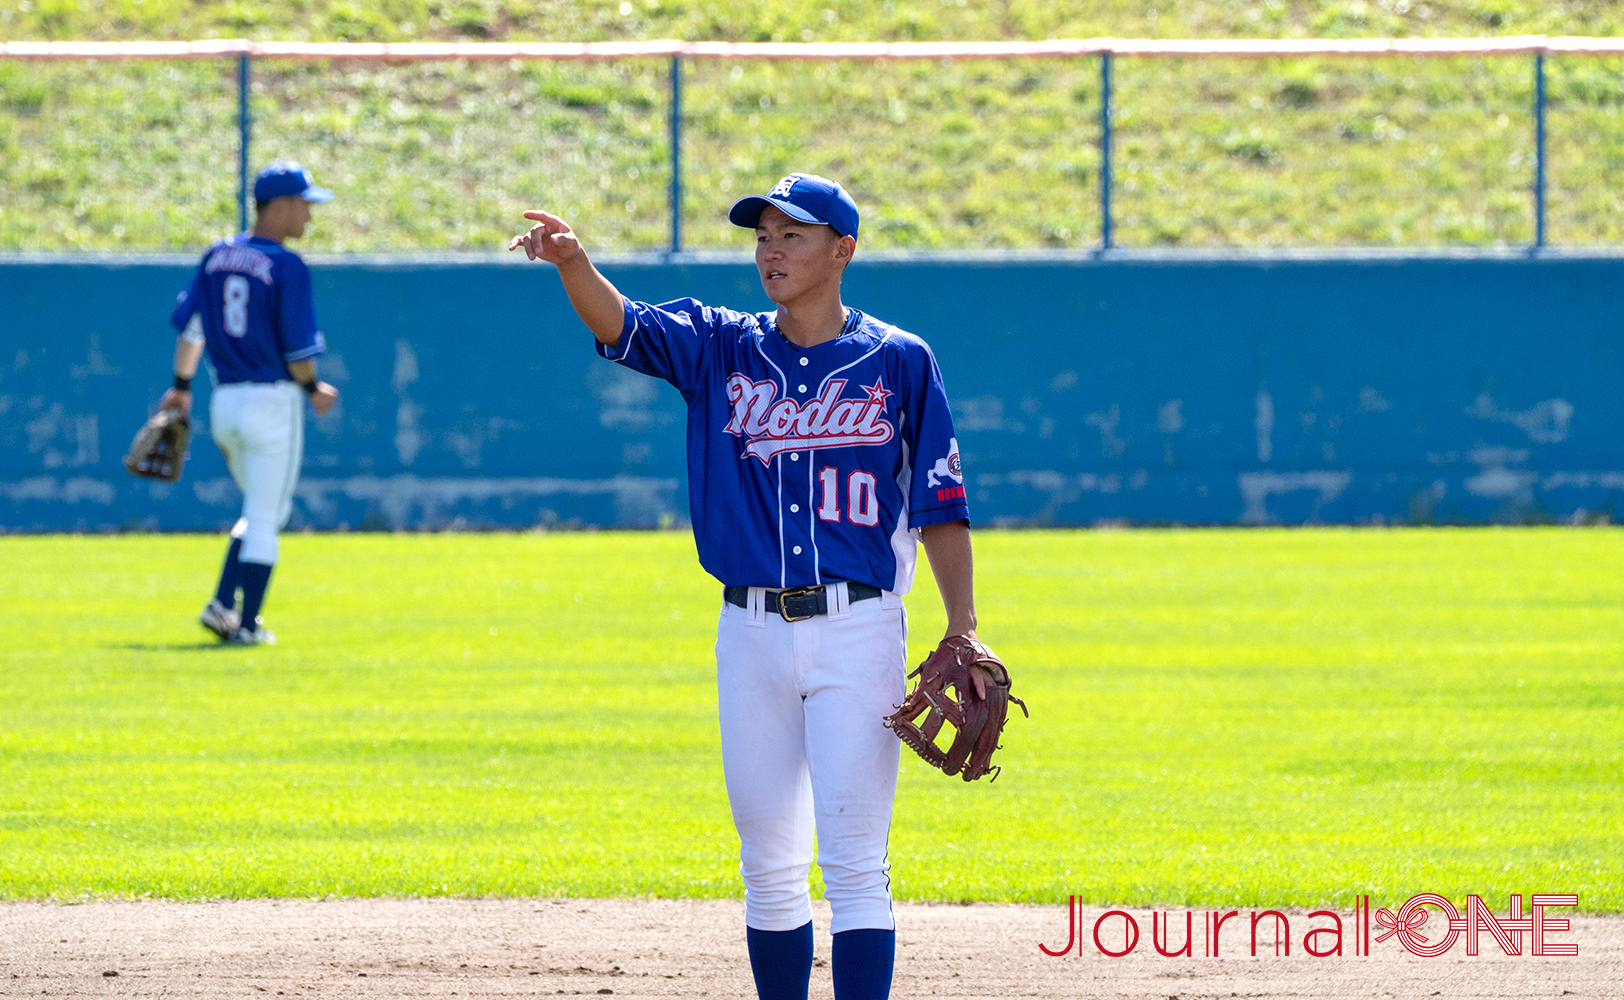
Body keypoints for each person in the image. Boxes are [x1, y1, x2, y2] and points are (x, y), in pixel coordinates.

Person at [510, 173, 976, 1000]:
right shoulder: (721, 345)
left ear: (843, 250)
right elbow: (624, 327)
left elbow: (941, 502)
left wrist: (963, 626)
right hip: (750, 632)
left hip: (859, 628)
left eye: (792, 234)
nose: (770, 248)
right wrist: (572, 262)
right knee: (768, 861)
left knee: (855, 862)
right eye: (763, 234)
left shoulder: (901, 361)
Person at [160, 160, 340, 645]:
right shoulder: (286, 265)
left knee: (261, 508)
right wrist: (312, 388)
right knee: (266, 516)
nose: (309, 216)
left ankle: (223, 603)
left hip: (224, 405)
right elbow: (298, 352)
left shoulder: (216, 256)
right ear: (278, 207)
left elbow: (192, 330)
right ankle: (246, 626)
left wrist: (181, 384)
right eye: (304, 205)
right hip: (271, 404)